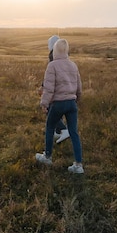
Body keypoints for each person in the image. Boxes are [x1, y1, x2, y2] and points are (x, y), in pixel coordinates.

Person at [36, 38, 84, 174]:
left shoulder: (52, 66)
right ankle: (78, 165)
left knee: (50, 127)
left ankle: (47, 156)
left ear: (54, 50)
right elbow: (79, 86)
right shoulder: (73, 65)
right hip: (72, 103)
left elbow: (49, 88)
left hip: (58, 104)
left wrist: (44, 103)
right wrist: (77, 99)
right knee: (74, 132)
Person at [41, 35, 70, 144]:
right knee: (56, 109)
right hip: (65, 88)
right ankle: (58, 131)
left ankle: (63, 130)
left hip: (56, 88)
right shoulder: (65, 55)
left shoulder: (53, 56)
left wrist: (43, 86)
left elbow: (50, 75)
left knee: (50, 110)